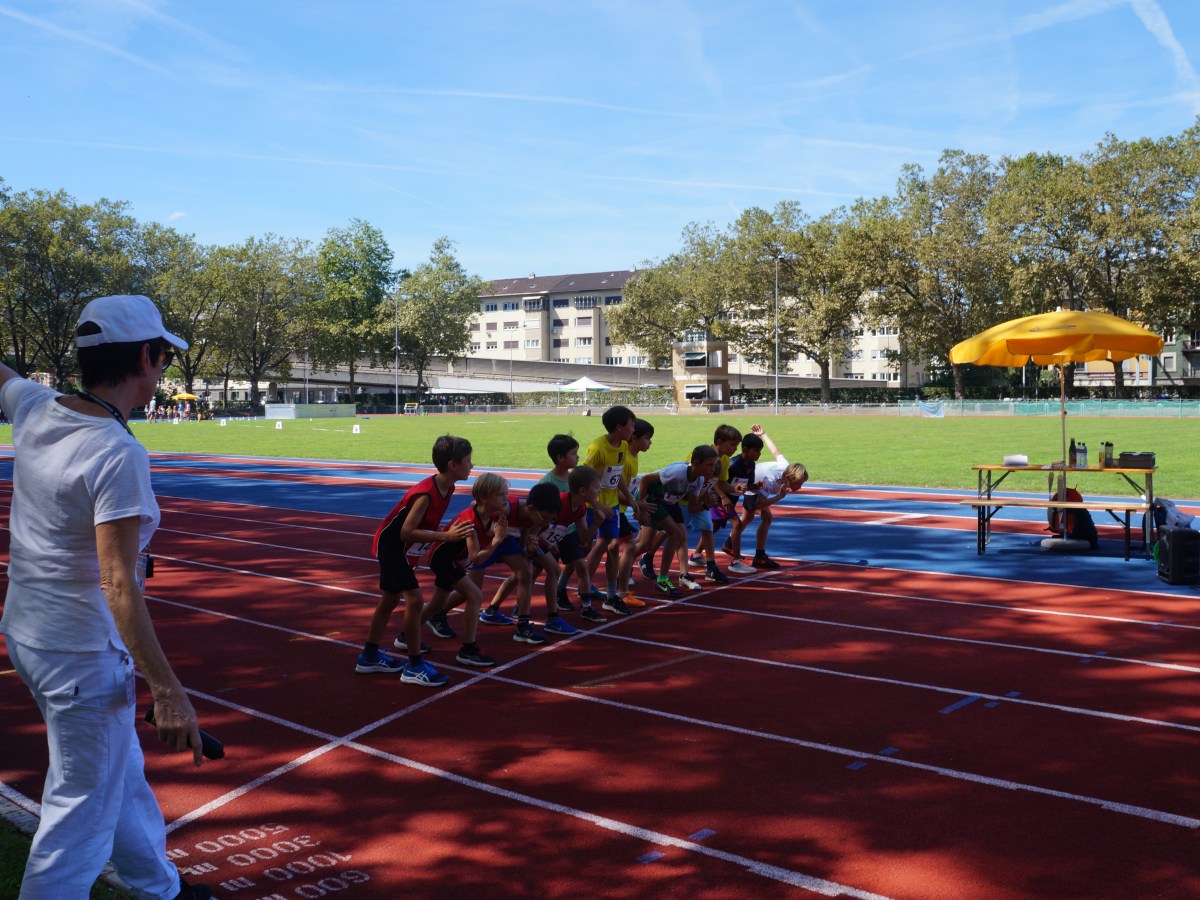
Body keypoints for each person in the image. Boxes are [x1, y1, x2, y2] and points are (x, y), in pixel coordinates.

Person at [0, 295, 214, 899]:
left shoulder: (36, 407)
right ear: (145, 356)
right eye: (164, 357)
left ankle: (157, 885)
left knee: (118, 774)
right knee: (79, 815)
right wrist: (168, 691)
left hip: (29, 635)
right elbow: (117, 581)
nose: (163, 370)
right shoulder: (118, 452)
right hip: (79, 653)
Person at [357, 435, 475, 686]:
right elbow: (406, 531)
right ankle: (414, 665)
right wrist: (446, 535)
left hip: (404, 549)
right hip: (392, 546)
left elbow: (424, 526)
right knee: (415, 599)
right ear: (453, 465)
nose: (472, 466)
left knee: (390, 600)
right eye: (468, 461)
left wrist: (447, 531)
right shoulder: (426, 493)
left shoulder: (448, 487)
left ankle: (368, 656)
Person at [635, 446, 720, 595]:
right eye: (709, 465)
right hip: (652, 498)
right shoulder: (677, 471)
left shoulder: (699, 480)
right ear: (695, 463)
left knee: (678, 536)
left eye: (714, 465)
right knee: (654, 540)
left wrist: (706, 505)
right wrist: (641, 504)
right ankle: (629, 567)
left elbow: (692, 508)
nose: (713, 469)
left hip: (670, 502)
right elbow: (646, 479)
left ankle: (662, 579)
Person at [724, 424, 809, 569]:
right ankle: (759, 556)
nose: (800, 487)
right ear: (788, 477)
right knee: (766, 517)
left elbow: (775, 451)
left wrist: (763, 434)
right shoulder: (769, 480)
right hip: (753, 485)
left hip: (755, 481)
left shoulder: (786, 466)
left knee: (749, 517)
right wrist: (780, 497)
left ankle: (730, 544)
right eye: (798, 483)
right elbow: (759, 504)